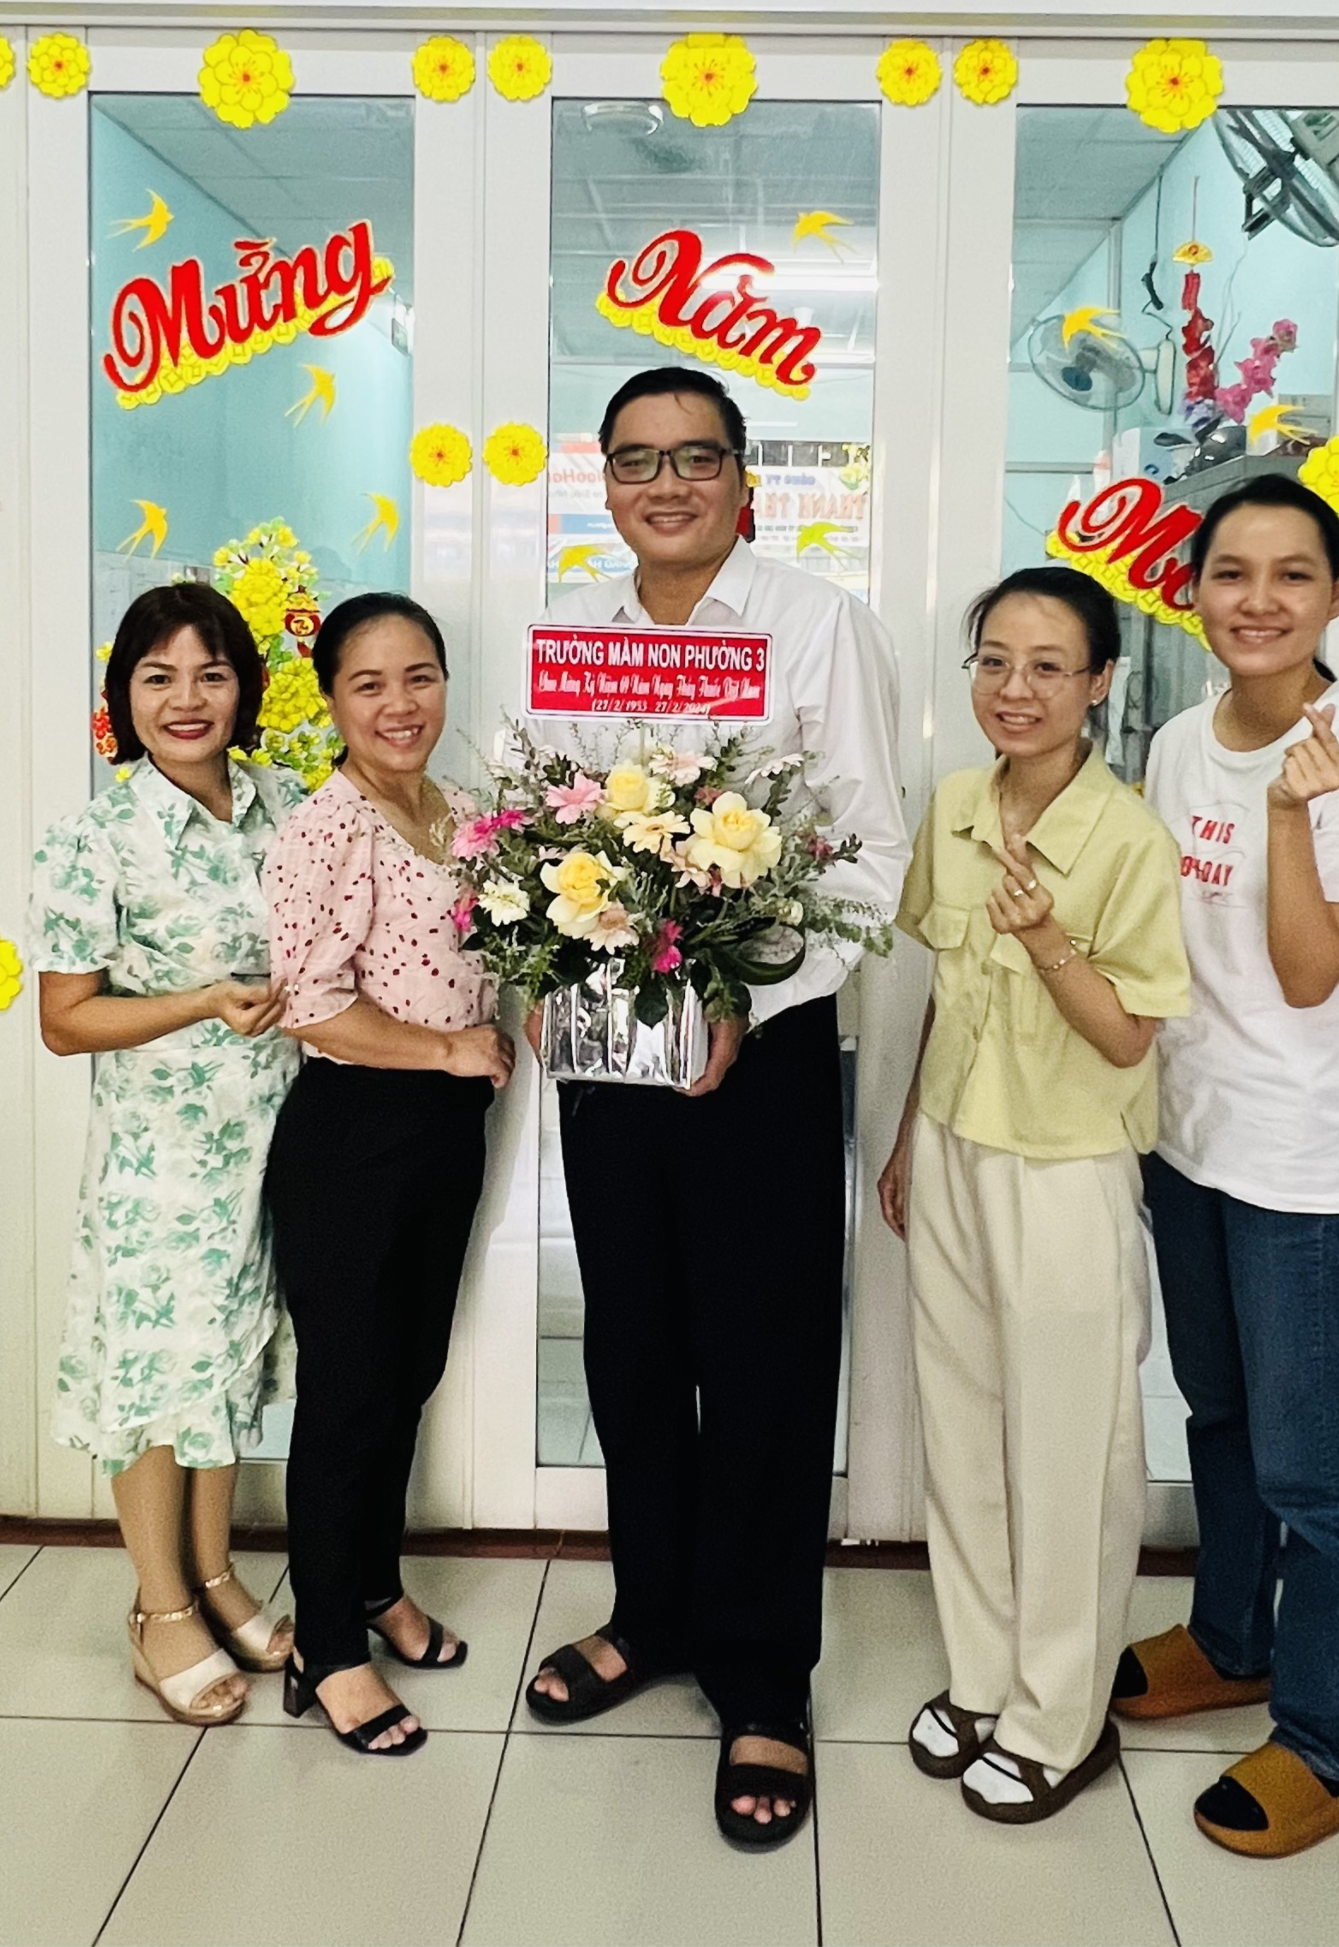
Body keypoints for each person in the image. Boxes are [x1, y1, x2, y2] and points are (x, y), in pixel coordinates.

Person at [520, 366, 907, 1847]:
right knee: (630, 1341)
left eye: (695, 458)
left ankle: (760, 1671)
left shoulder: (815, 623)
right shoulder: (577, 631)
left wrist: (746, 980)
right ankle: (655, 1612)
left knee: (762, 1357)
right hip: (613, 1054)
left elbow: (867, 852)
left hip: (764, 1049)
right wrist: (544, 966)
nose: (665, 484)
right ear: (604, 482)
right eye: (636, 460)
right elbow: (544, 829)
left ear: (745, 479)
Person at [1116, 473, 1339, 1858]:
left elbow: (1304, 974)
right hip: (1190, 1137)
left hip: (1301, 1166)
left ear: (1336, 595)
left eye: (1292, 574)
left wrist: (1290, 814)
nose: (1257, 601)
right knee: (1218, 1416)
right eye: (1230, 573)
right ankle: (1229, 1639)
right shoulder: (1181, 741)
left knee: (1313, 1470)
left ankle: (1327, 1743)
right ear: (1190, 593)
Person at [878, 566, 1190, 1823]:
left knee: (1068, 1452)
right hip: (952, 1146)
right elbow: (941, 996)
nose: (1014, 690)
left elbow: (1125, 1039)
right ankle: (982, 1677)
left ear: (1098, 682)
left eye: (1047, 666)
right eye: (993, 662)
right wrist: (906, 1139)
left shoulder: (1127, 838)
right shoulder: (955, 805)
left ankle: (1059, 1717)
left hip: (1062, 1170)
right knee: (959, 1427)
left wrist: (1048, 940)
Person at [29, 584, 302, 1728]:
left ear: (244, 690)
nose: (185, 699)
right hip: (161, 1160)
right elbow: (65, 1020)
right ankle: (158, 1607)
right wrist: (198, 1001)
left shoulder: (286, 805)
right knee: (153, 1373)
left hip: (272, 1144)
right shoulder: (94, 839)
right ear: (123, 698)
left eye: (210, 674)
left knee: (226, 1363)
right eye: (157, 677)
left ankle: (216, 1574)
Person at [262, 592, 514, 1758]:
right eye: (367, 685)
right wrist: (446, 1049)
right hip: (353, 1133)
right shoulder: (325, 830)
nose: (398, 705)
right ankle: (324, 1646)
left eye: (418, 677)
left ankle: (373, 1584)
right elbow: (309, 1008)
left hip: (443, 1131)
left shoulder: (459, 810)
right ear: (330, 701)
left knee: (405, 1372)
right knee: (347, 1392)